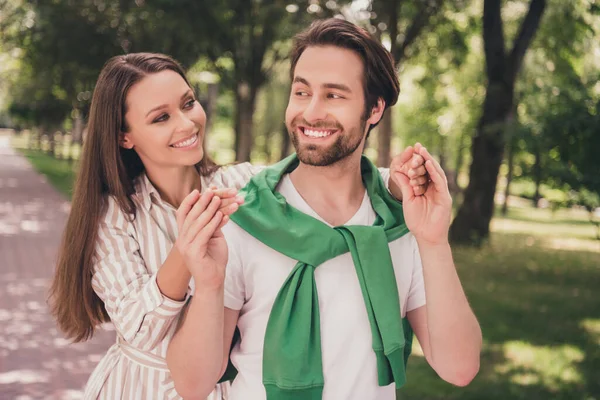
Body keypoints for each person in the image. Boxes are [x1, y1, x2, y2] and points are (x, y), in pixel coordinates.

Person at [48, 52, 428, 399]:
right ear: (123, 136)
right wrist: (187, 250)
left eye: (188, 104)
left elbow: (324, 174)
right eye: (161, 118)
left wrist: (395, 183)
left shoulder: (239, 184)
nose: (187, 123)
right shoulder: (112, 214)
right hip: (141, 388)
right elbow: (139, 328)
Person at [168, 19, 482, 400]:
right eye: (301, 92)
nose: (311, 112)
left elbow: (459, 368)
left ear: (375, 109)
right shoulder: (243, 219)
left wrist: (434, 243)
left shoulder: (402, 223)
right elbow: (192, 385)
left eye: (334, 95)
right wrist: (209, 285)